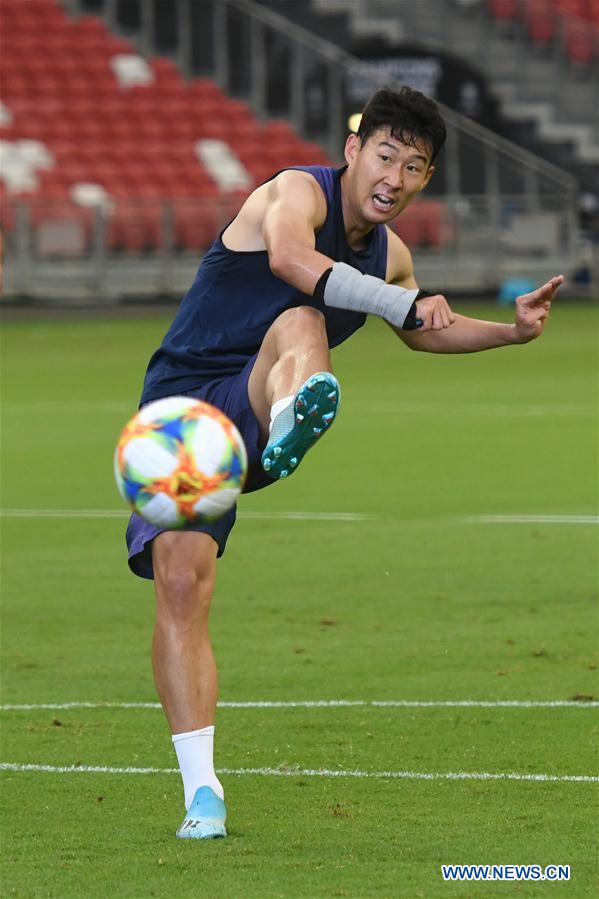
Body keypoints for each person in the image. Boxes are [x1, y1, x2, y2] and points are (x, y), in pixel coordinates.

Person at [125, 86, 563, 839]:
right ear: (354, 149)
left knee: (298, 328)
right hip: (184, 415)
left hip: (260, 406)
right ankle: (203, 794)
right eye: (386, 154)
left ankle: (294, 413)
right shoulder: (295, 191)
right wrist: (400, 304)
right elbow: (295, 260)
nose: (395, 175)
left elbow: (426, 330)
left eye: (415, 166)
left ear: (426, 180)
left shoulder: (392, 256)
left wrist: (509, 332)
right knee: (181, 584)